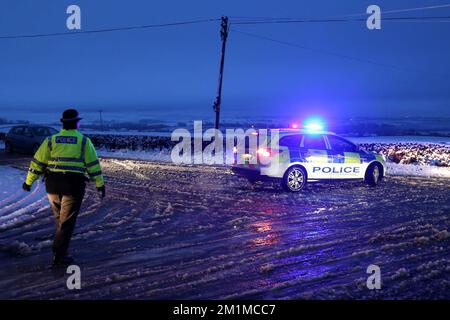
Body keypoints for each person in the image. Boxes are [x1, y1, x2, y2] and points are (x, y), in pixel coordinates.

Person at [22, 109, 105, 266]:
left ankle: (60, 250)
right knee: (67, 221)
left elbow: (37, 163)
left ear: (63, 123)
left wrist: (28, 181)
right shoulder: (83, 141)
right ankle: (59, 254)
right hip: (73, 185)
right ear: (76, 123)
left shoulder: (51, 140)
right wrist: (100, 185)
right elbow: (93, 165)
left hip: (52, 184)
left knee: (60, 219)